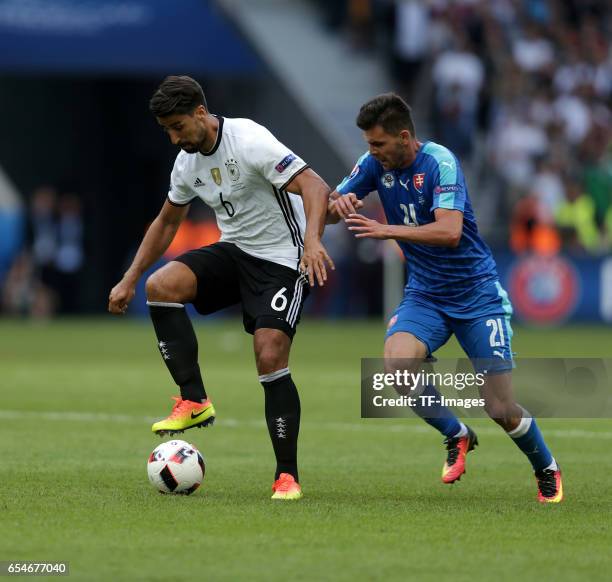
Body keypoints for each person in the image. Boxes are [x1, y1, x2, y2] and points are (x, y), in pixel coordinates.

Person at [328, 93, 563, 503]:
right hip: (426, 293)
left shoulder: (440, 162)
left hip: (477, 295)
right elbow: (332, 207)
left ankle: (546, 467)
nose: (372, 152)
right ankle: (456, 434)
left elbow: (449, 231)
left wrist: (388, 231)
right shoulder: (373, 165)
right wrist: (338, 201)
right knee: (398, 366)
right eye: (369, 144)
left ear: (404, 137)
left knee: (499, 407)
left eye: (378, 144)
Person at [108, 76, 334, 501]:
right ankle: (193, 400)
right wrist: (130, 277)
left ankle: (286, 476)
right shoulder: (185, 164)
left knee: (269, 354)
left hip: (283, 260)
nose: (175, 138)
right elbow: (166, 222)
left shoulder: (249, 140)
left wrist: (313, 242)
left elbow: (315, 186)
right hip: (235, 251)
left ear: (200, 112)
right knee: (161, 285)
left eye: (178, 127)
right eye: (167, 131)